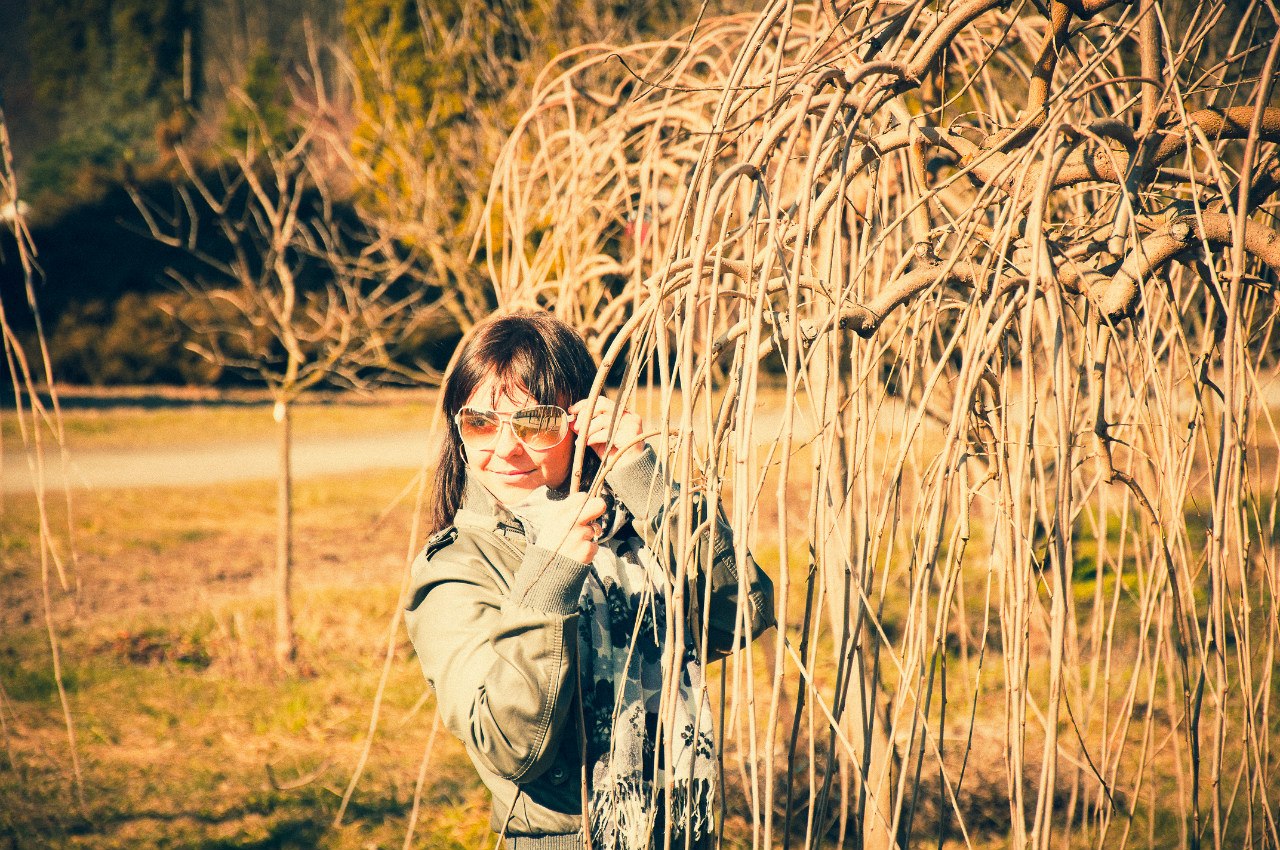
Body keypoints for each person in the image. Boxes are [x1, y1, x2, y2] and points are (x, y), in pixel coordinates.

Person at [405, 311, 775, 850]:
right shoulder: (454, 566)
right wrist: (551, 580)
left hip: (681, 831)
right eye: (480, 422)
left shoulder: (629, 525)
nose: (506, 448)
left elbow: (738, 614)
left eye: (535, 422)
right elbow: (510, 746)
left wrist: (642, 477)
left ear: (579, 420)